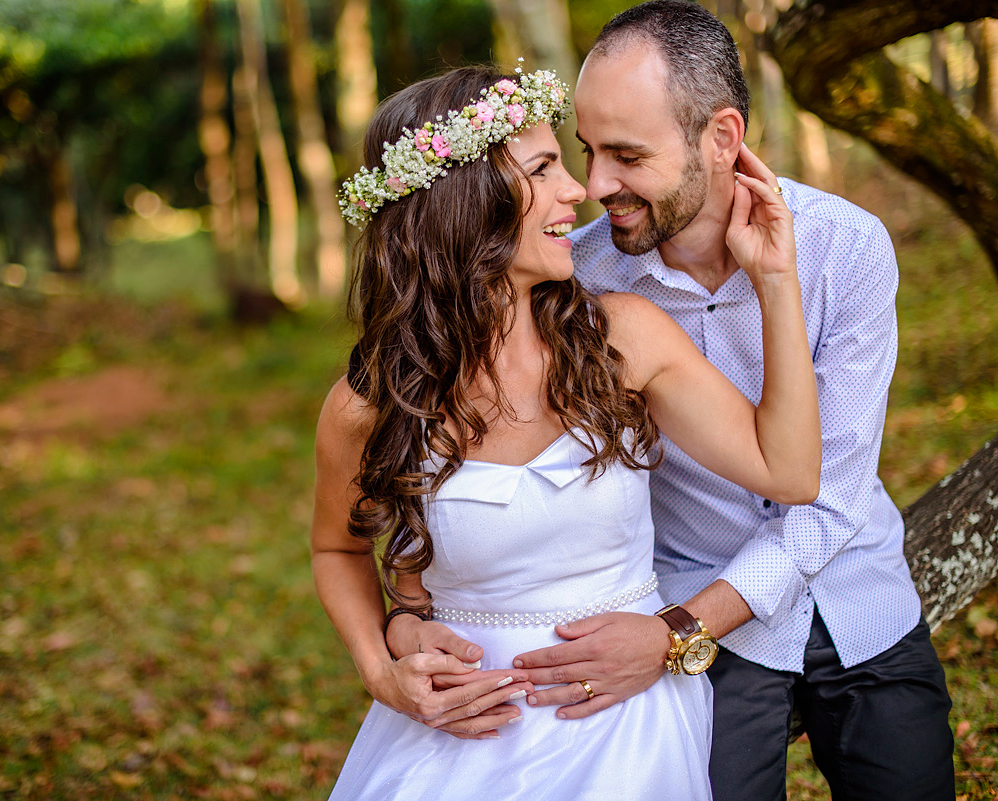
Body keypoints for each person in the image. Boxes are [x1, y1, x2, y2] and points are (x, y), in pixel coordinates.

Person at [388, 3, 957, 800]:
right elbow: (451, 442)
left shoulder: (846, 246)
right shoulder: (575, 280)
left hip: (857, 597)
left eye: (626, 155)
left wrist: (673, 631)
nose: (595, 186)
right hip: (699, 616)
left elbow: (825, 496)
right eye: (587, 151)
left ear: (722, 137)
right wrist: (405, 622)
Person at [312, 62, 819, 800]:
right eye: (544, 168)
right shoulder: (371, 402)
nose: (578, 191)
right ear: (466, 202)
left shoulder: (624, 338)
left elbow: (791, 472)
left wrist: (775, 279)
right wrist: (383, 669)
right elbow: (337, 548)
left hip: (626, 734)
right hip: (458, 740)